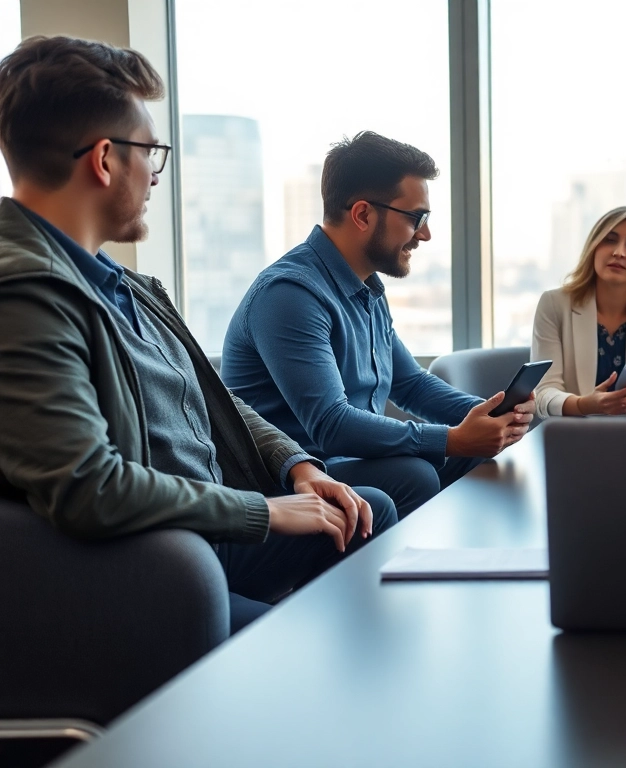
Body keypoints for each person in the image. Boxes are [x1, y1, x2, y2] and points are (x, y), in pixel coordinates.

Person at [0, 36, 395, 633]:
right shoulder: (27, 296)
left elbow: (214, 395)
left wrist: (299, 468)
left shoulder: (126, 285)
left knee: (368, 512)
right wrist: (261, 512)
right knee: (323, 637)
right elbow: (88, 488)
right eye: (151, 154)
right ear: (105, 160)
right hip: (158, 561)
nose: (156, 178)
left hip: (207, 530)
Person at [223, 132, 534, 518]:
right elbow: (331, 425)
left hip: (349, 460)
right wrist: (453, 438)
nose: (425, 234)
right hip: (297, 474)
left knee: (476, 457)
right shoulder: (289, 295)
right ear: (363, 214)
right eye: (416, 218)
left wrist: (492, 414)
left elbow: (411, 384)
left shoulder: (367, 287)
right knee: (415, 474)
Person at [531, 205, 626, 417]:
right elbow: (543, 392)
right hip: (572, 437)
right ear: (594, 247)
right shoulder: (554, 304)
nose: (618, 252)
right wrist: (583, 405)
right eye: (610, 240)